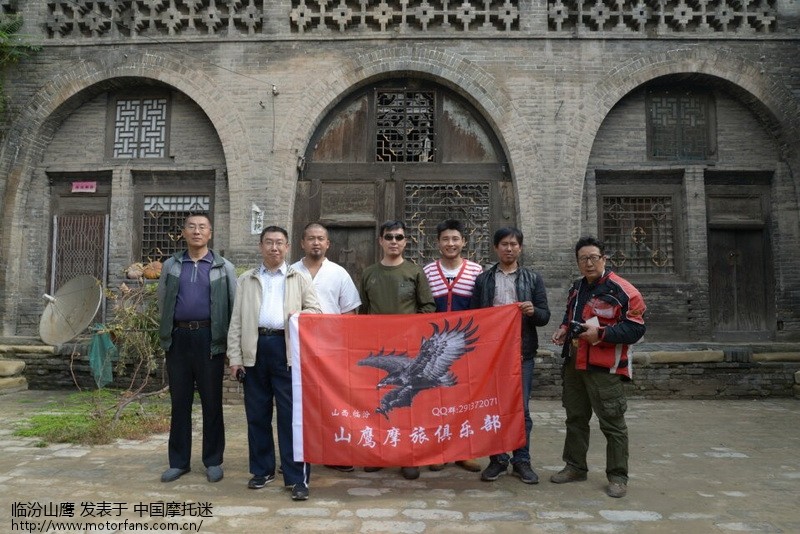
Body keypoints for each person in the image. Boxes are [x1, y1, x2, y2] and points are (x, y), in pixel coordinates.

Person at [227, 225, 321, 501]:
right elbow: (236, 321)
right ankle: (262, 469)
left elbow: (316, 311)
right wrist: (236, 357)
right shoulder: (247, 280)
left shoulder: (298, 277)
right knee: (256, 415)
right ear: (260, 246)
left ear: (288, 247)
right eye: (269, 243)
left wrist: (299, 314)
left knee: (292, 417)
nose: (274, 248)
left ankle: (296, 477)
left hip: (287, 350)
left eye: (280, 243)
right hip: (254, 349)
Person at [550, 236, 646, 499]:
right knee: (575, 418)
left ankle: (617, 476)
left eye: (594, 257)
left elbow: (637, 329)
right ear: (578, 262)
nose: (589, 263)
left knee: (612, 423)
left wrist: (602, 334)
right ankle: (575, 466)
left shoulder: (624, 291)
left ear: (604, 259)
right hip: (575, 363)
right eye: (583, 259)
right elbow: (571, 317)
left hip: (604, 367)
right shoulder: (577, 288)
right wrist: (563, 329)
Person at [157, 213, 236, 484]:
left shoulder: (223, 267)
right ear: (184, 232)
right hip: (178, 339)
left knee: (212, 402)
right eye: (191, 227)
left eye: (202, 227)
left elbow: (233, 307)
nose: (197, 231)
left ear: (210, 233)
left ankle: (213, 460)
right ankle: (178, 462)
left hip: (209, 340)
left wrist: (229, 346)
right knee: (179, 403)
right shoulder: (171, 265)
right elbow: (162, 302)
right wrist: (166, 335)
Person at [470, 226, 550, 485]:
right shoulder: (484, 280)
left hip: (521, 353)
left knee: (521, 409)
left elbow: (545, 316)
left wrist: (532, 311)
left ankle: (522, 460)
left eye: (514, 244)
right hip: (492, 356)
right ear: (496, 248)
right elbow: (475, 318)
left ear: (520, 248)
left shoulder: (532, 279)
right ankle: (497, 459)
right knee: (493, 407)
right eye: (504, 244)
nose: (509, 248)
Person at [359, 220, 436, 480]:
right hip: (378, 350)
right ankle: (378, 454)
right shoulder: (369, 273)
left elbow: (428, 307)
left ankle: (408, 456)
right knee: (378, 402)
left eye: (399, 237)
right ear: (380, 240)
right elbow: (363, 312)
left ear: (405, 242)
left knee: (407, 404)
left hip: (408, 351)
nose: (394, 241)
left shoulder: (415, 272)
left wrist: (410, 329)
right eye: (389, 237)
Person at [291, 222, 361, 473]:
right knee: (298, 403)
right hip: (297, 350)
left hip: (332, 351)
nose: (316, 243)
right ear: (302, 243)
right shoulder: (290, 272)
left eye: (321, 238)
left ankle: (335, 453)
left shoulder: (339, 273)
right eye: (311, 238)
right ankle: (298, 455)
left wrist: (345, 350)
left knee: (333, 403)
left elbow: (350, 313)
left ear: (328, 243)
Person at [422, 219, 484, 473]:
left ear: (463, 242)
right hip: (434, 351)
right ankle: (437, 450)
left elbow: (483, 308)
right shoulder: (426, 272)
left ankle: (464, 451)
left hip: (465, 347)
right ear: (438, 243)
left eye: (455, 239)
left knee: (464, 398)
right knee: (434, 398)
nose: (451, 244)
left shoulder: (476, 271)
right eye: (445, 239)